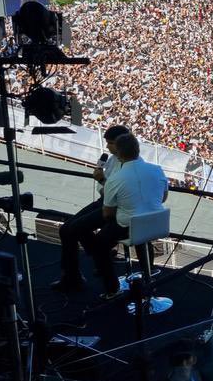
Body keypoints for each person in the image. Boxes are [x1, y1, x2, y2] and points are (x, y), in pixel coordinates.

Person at [52, 125, 129, 292]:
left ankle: (93, 266)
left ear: (122, 143)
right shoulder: (112, 159)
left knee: (73, 229)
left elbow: (117, 194)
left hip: (115, 207)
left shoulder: (126, 164)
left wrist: (101, 180)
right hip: (104, 201)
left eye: (111, 143)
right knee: (66, 229)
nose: (107, 147)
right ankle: (75, 274)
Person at [91, 133, 168, 300]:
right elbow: (163, 198)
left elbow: (108, 213)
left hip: (130, 228)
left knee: (99, 244)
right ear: (138, 149)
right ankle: (148, 277)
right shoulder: (157, 170)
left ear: (117, 154)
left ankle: (113, 290)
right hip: (157, 224)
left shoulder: (115, 179)